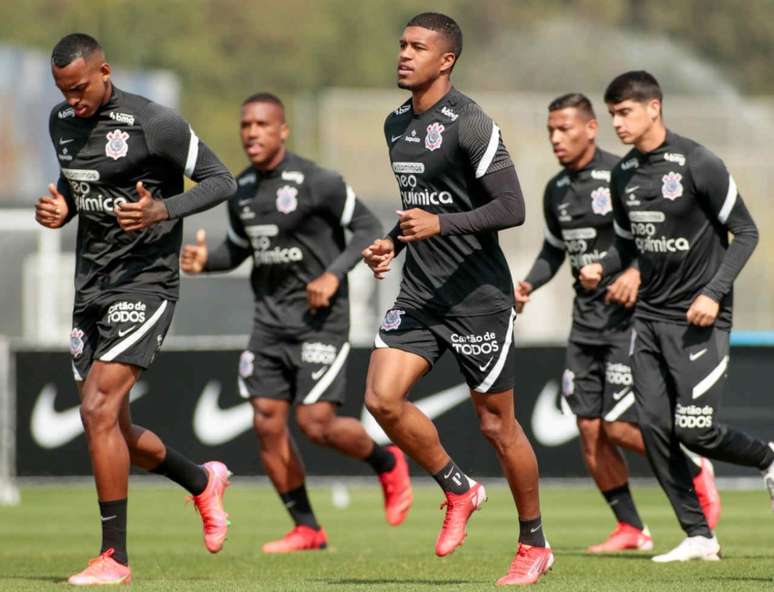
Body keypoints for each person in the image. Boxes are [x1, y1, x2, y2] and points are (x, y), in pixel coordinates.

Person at [35, 33, 237, 585]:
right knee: (114, 426)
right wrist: (60, 207)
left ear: (104, 71)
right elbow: (79, 186)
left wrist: (163, 211)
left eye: (80, 88)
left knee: (97, 411)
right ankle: (201, 481)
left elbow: (223, 180)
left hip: (144, 283)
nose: (72, 100)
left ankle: (114, 558)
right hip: (90, 288)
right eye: (63, 90)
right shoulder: (62, 121)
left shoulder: (156, 123)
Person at [361, 12, 551, 586]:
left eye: (418, 47)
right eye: (401, 44)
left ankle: (534, 545)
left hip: (478, 297)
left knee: (498, 427)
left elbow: (512, 207)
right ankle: (458, 487)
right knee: (381, 399)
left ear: (446, 61)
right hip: (421, 292)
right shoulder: (396, 124)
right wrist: (392, 242)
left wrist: (440, 225)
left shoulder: (470, 122)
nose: (404, 54)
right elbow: (418, 202)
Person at [181, 92, 411, 553]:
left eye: (262, 125)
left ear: (282, 130)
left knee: (316, 423)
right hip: (269, 323)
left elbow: (367, 227)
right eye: (246, 125)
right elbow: (242, 250)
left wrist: (331, 274)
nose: (252, 133)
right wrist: (207, 260)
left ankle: (387, 462)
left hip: (320, 320)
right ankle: (307, 527)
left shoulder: (317, 181)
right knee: (267, 422)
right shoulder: (241, 189)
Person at [580, 70, 774, 562]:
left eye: (624, 112)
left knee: (695, 430)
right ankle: (699, 535)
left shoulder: (698, 162)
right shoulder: (623, 174)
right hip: (648, 321)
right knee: (653, 428)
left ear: (654, 108)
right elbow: (627, 243)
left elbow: (747, 232)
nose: (617, 124)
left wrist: (713, 293)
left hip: (700, 322)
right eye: (612, 115)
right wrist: (603, 268)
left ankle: (766, 457)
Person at [516, 93, 721, 553]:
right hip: (584, 324)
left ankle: (692, 468)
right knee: (589, 430)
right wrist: (528, 284)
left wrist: (631, 273)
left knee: (621, 427)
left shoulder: (623, 176)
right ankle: (631, 527)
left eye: (564, 128)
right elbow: (554, 249)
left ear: (591, 128)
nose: (556, 138)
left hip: (630, 321)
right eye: (550, 130)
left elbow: (660, 238)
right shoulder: (556, 190)